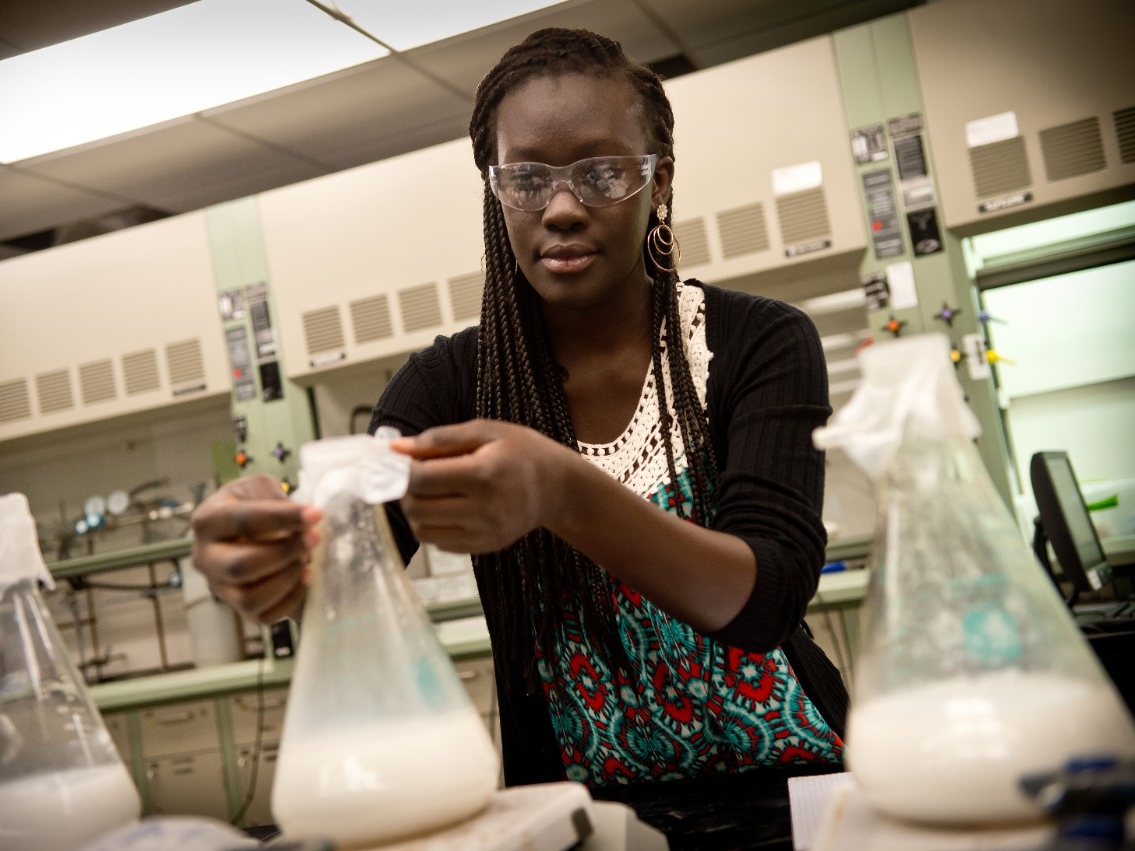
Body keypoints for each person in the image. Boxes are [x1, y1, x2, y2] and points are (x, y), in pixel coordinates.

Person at [190, 27, 847, 847]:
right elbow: (340, 564)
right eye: (527, 179)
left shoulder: (756, 342)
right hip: (578, 824)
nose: (562, 208)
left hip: (797, 804)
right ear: (495, 191)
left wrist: (560, 490)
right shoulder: (449, 385)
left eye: (601, 173)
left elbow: (765, 598)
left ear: (659, 180)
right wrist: (266, 549)